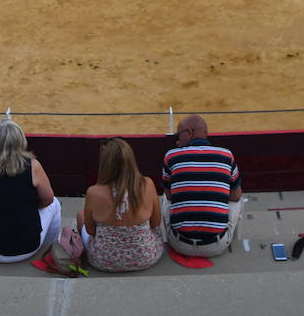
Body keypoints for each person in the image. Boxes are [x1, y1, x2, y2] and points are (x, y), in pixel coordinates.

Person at [0, 118, 62, 263]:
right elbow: (48, 200)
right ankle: (52, 248)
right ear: (20, 140)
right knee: (55, 204)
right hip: (21, 250)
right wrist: (28, 208)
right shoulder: (32, 166)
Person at [76, 138, 164, 273]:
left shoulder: (93, 192)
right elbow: (155, 223)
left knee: (80, 215)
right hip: (145, 257)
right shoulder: (147, 184)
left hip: (103, 260)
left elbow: (91, 231)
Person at [160, 114, 242, 257]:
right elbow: (235, 196)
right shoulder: (226, 155)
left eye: (178, 136)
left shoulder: (171, 156)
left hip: (180, 244)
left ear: (190, 133)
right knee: (239, 197)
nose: (177, 141)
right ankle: (235, 240)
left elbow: (169, 196)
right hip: (216, 246)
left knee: (165, 198)